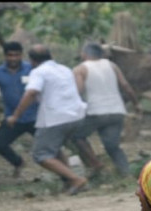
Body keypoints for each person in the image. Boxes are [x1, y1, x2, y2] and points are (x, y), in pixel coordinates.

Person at [6, 44, 89, 196]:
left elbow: (31, 93)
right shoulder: (64, 69)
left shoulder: (38, 71)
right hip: (76, 115)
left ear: (32, 61)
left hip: (56, 117)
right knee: (54, 149)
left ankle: (76, 179)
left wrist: (16, 115)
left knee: (41, 154)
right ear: (50, 56)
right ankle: (68, 181)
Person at [71, 42, 140, 178]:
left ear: (84, 54)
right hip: (117, 110)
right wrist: (136, 103)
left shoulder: (80, 69)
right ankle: (126, 174)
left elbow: (77, 92)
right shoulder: (112, 65)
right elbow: (125, 85)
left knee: (77, 136)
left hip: (95, 112)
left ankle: (96, 164)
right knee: (112, 145)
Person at [0, 41, 39, 178]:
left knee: (49, 146)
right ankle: (18, 163)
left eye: (16, 55)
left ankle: (65, 173)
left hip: (35, 117)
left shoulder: (31, 69)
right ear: (5, 56)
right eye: (10, 55)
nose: (13, 59)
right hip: (13, 118)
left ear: (21, 55)